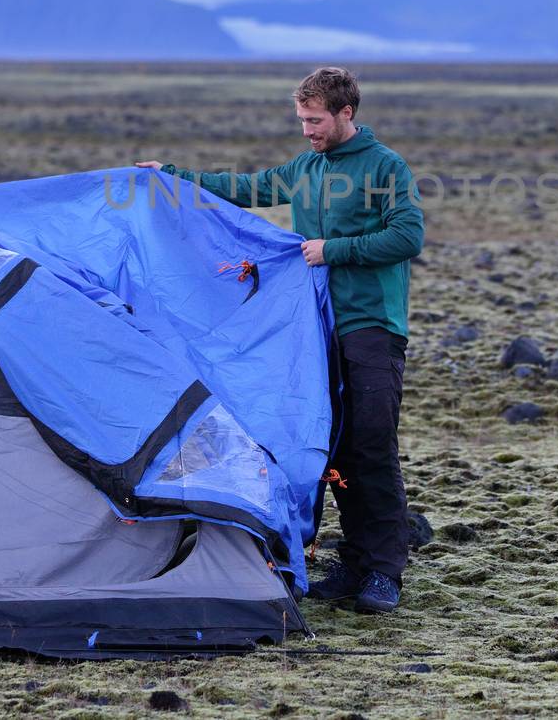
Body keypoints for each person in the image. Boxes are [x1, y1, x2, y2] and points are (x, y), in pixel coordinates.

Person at [137, 67, 423, 613]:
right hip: (314, 329)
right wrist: (171, 177)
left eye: (315, 121)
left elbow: (408, 235)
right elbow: (248, 189)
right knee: (333, 446)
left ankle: (386, 570)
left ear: (346, 114)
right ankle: (356, 564)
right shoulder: (306, 166)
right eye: (301, 120)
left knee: (371, 446)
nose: (307, 131)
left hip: (371, 327)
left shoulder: (385, 166)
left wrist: (333, 250)